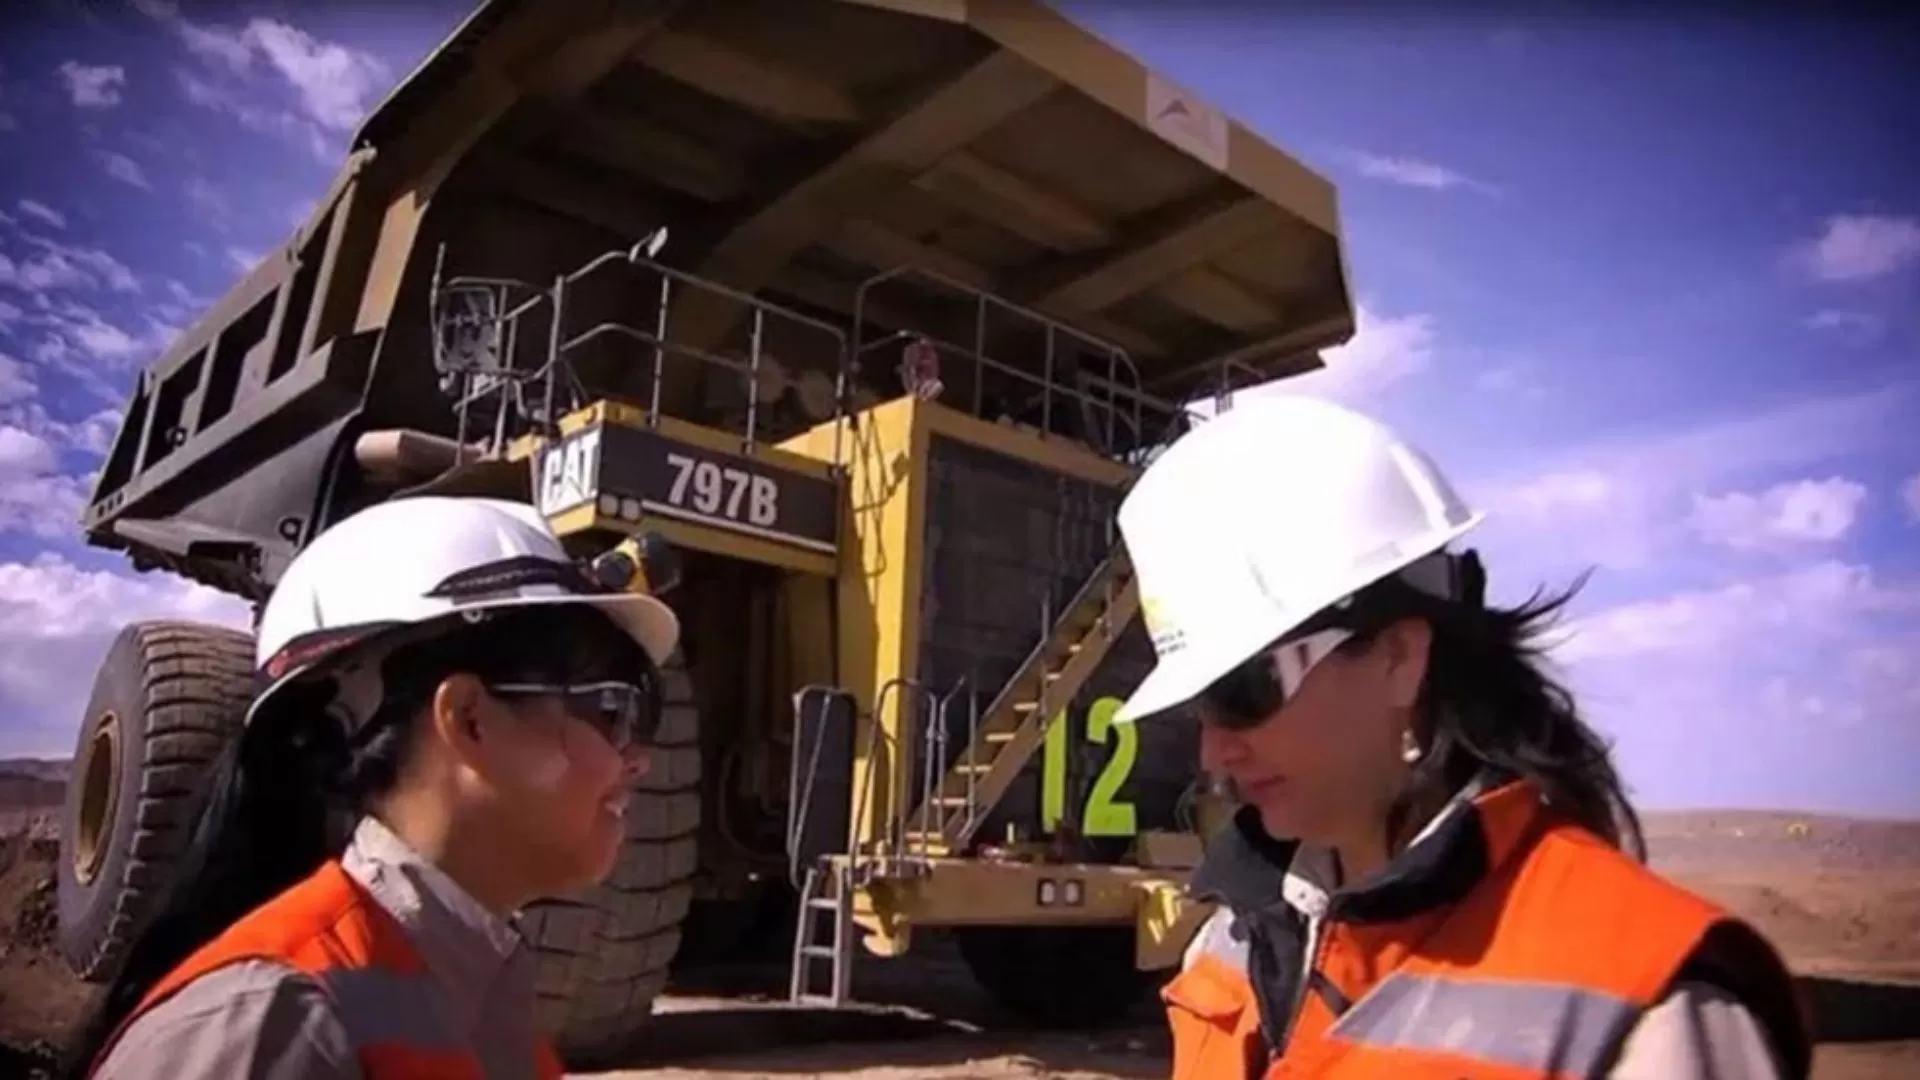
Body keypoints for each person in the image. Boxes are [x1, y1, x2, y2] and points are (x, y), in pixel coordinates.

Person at [1113, 396, 1812, 1080]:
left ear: (1398, 658)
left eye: (1241, 693)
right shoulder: (1230, 940)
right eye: (1200, 705)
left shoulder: (1643, 1013)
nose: (1213, 752)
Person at [66, 495, 682, 1079]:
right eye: (613, 711)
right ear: (468, 719)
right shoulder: (265, 1025)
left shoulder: (480, 994)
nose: (638, 761)